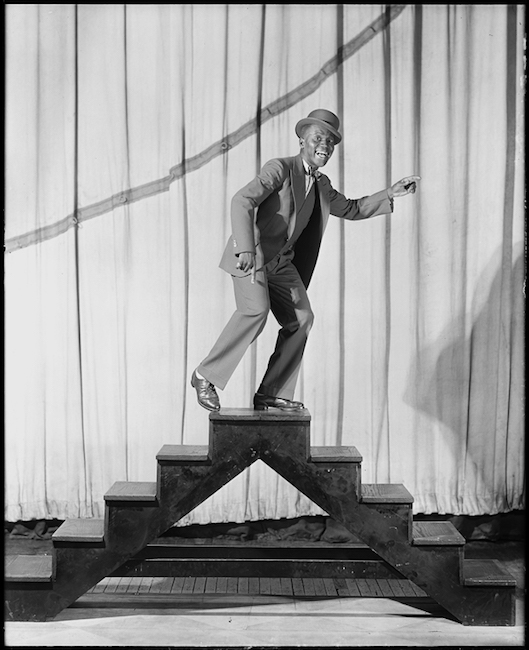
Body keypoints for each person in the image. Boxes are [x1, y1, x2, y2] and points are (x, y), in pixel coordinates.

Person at [191, 109, 420, 412]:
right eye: (317, 138)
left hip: (282, 265)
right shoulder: (280, 169)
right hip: (253, 257)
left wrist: (390, 193)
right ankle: (204, 375)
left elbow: (351, 208)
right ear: (302, 141)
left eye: (330, 142)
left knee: (301, 320)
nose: (324, 145)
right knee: (255, 310)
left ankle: (271, 392)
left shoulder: (321, 185)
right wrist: (246, 247)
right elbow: (242, 200)